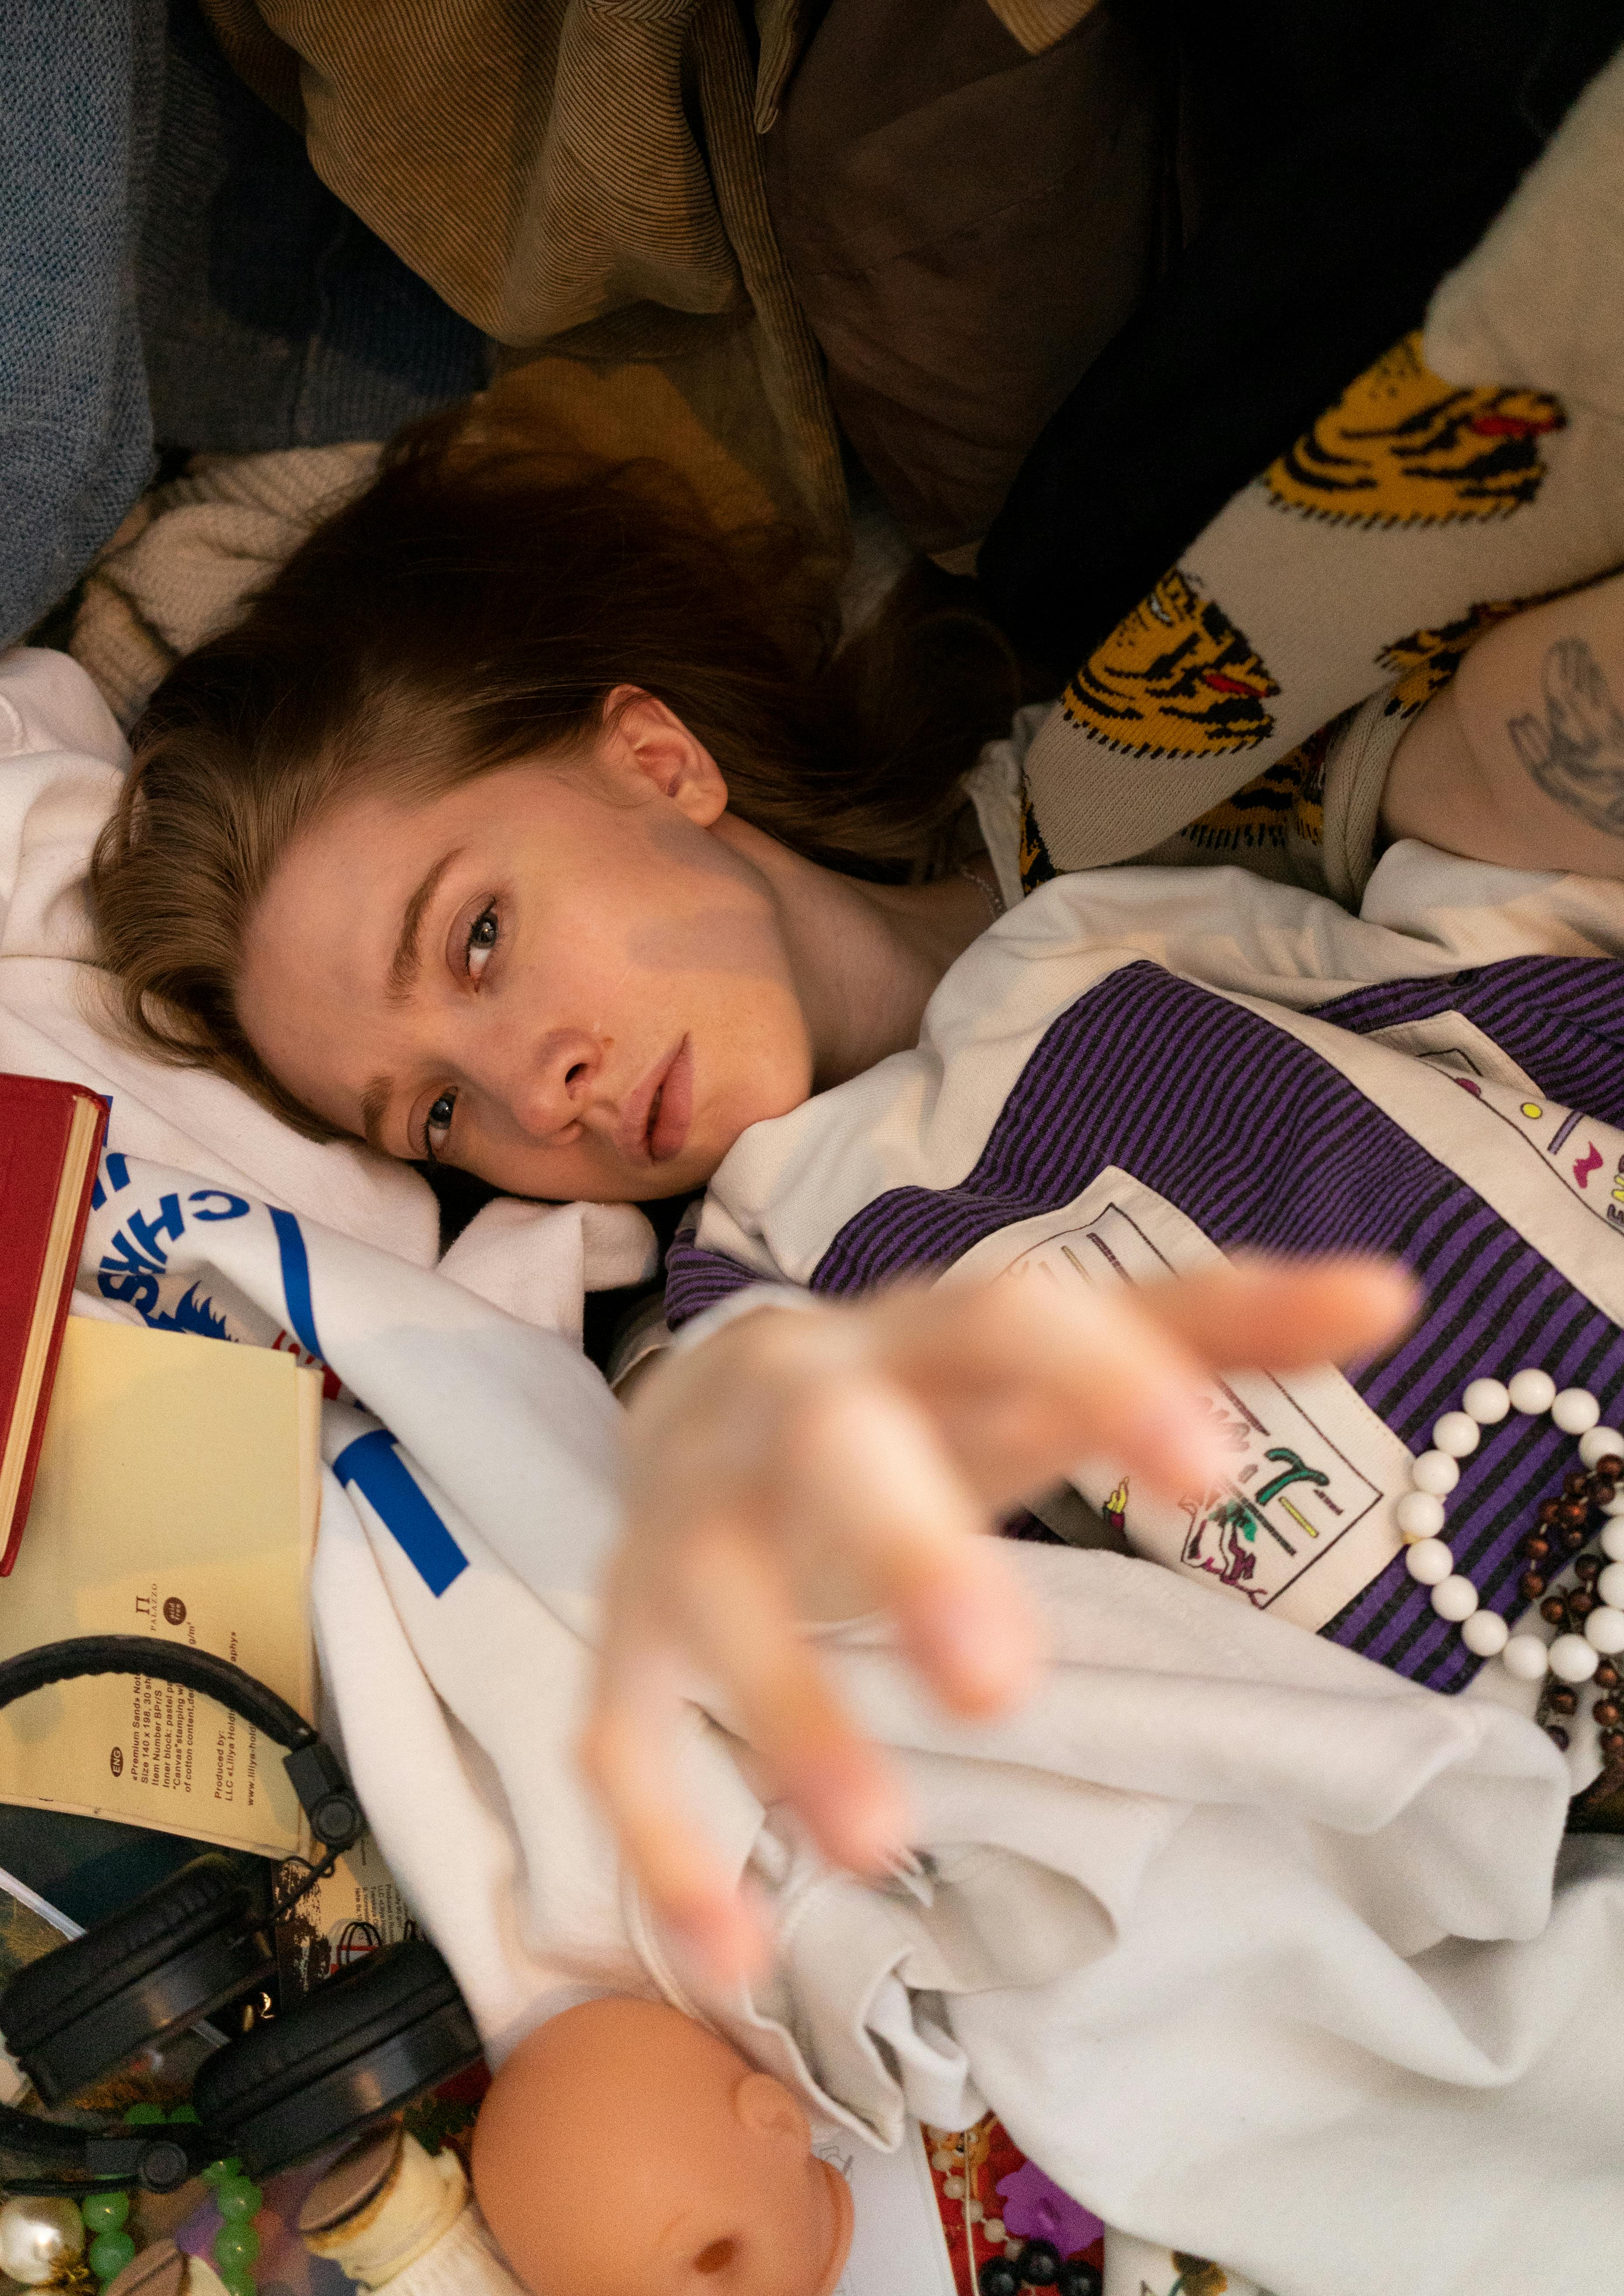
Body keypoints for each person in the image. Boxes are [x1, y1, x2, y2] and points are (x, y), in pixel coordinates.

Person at [90, 410, 1624, 1981]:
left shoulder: (1128, 813)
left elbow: (1493, 792)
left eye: (478, 936)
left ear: (656, 761)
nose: (524, 1085)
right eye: (434, 1112)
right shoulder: (754, 1311)